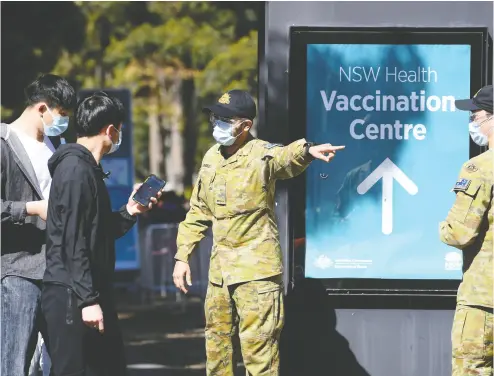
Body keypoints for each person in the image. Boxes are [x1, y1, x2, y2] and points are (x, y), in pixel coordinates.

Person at [173, 89, 345, 375]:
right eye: (215, 117)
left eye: (225, 119)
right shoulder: (211, 158)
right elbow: (198, 211)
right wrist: (182, 256)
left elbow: (284, 157)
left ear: (245, 126)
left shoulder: (261, 154)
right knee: (217, 355)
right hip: (220, 277)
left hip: (257, 276)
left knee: (260, 358)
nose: (217, 123)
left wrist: (307, 150)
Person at [41, 92, 160, 376]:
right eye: (119, 130)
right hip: (72, 296)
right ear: (110, 130)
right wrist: (88, 301)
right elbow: (73, 241)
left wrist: (130, 211)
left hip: (86, 291)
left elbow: (96, 231)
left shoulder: (87, 170)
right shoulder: (74, 170)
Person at [1, 73, 76, 376]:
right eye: (62, 115)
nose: (64, 122)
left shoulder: (56, 145)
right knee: (15, 362)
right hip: (18, 271)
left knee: (64, 363)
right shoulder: (4, 142)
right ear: (42, 108)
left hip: (58, 269)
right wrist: (32, 208)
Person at [439, 85, 493, 376]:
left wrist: (442, 228)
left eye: (476, 115)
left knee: (472, 369)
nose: (473, 122)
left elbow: (459, 233)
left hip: (485, 298)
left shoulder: (480, 167)